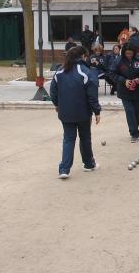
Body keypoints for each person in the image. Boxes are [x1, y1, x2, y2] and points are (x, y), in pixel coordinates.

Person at [49, 46, 101, 179]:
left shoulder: (59, 72)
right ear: (83, 56)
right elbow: (92, 94)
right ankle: (89, 164)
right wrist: (97, 111)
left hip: (65, 112)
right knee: (85, 138)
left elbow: (53, 91)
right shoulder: (85, 72)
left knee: (68, 139)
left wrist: (57, 104)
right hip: (83, 112)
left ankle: (64, 169)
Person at [112, 42, 139, 142]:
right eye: (127, 53)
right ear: (124, 52)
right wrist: (124, 81)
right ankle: (134, 134)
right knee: (130, 111)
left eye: (131, 53)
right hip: (124, 91)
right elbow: (112, 73)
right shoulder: (119, 60)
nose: (129, 55)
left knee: (136, 112)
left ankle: (135, 129)